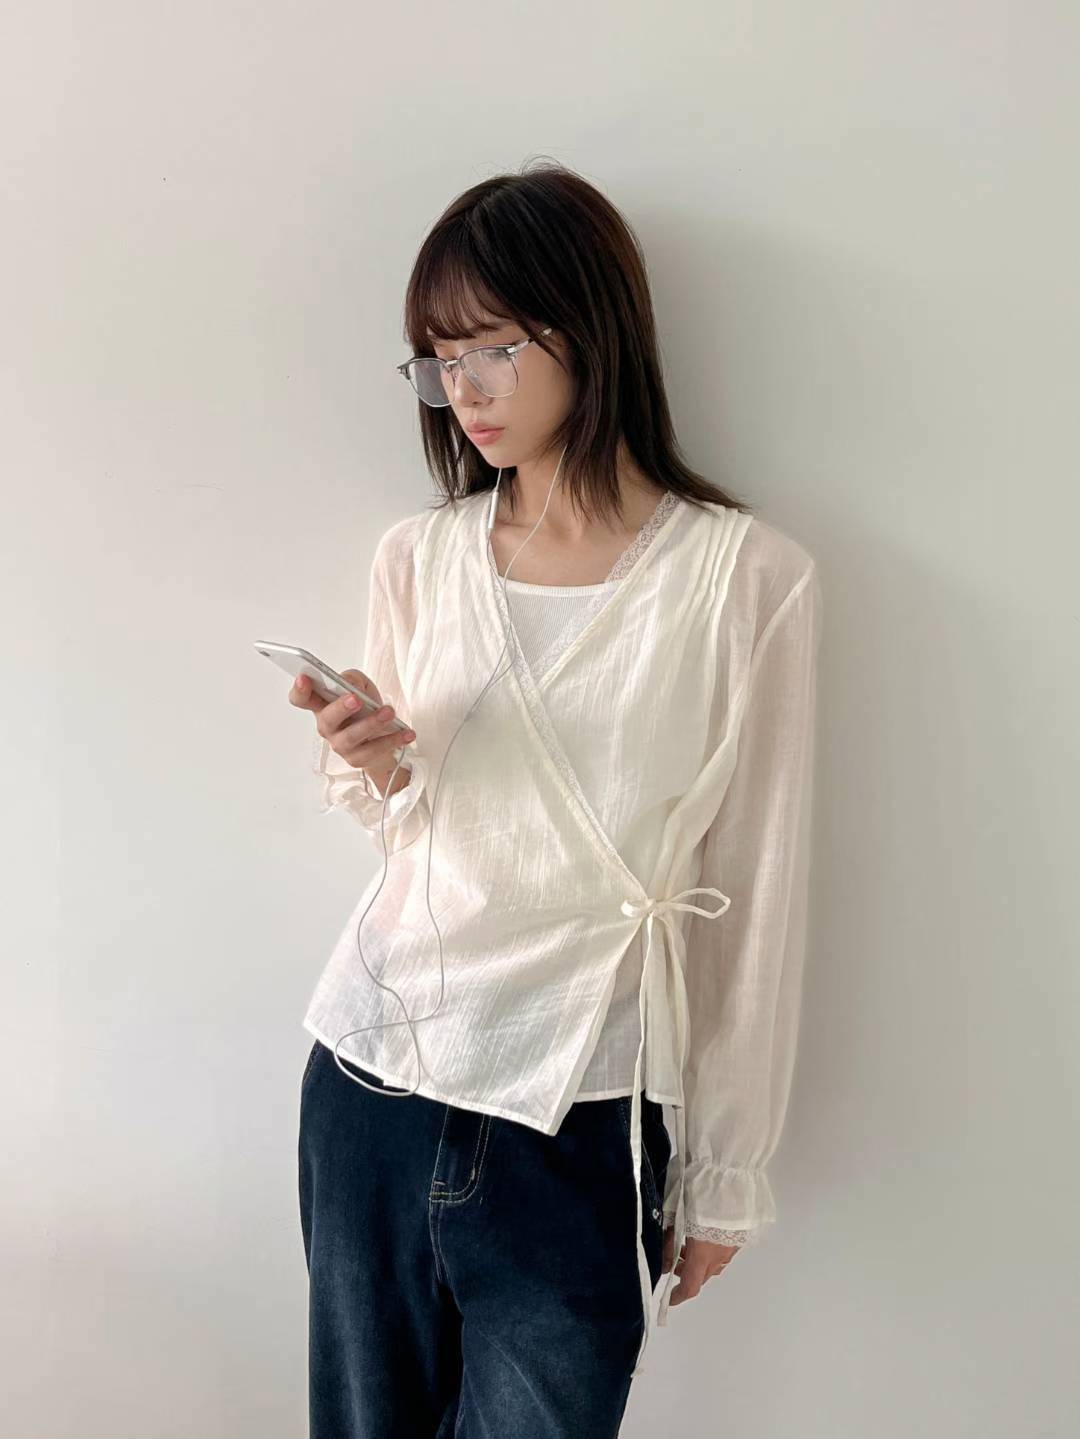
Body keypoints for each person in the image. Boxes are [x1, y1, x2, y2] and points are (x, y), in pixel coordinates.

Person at [289, 158, 822, 1438]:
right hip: (373, 1082)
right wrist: (373, 760)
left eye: (491, 349)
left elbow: (756, 888)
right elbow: (413, 819)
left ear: (590, 328)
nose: (462, 391)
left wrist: (724, 1171)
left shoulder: (745, 577)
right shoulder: (420, 556)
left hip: (582, 1118)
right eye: (437, 361)